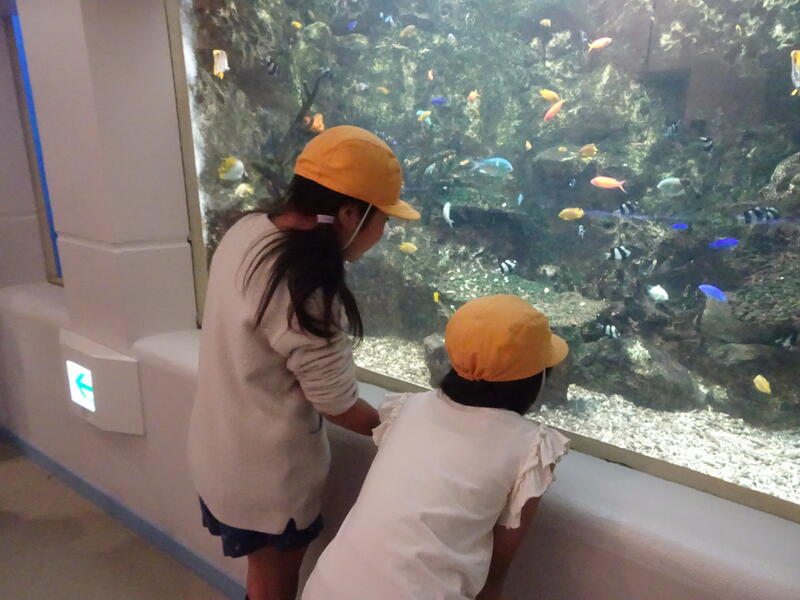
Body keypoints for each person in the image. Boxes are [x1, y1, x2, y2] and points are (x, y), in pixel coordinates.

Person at [186, 125, 421, 600]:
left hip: (217, 452)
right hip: (268, 482)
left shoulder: (248, 229)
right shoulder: (306, 287)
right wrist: (410, 430)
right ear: (350, 214)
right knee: (274, 588)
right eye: (383, 220)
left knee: (261, 577)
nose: (382, 234)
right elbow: (337, 404)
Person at [302, 294, 571, 600]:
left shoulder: (408, 408)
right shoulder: (531, 448)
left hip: (326, 587)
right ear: (533, 379)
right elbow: (497, 570)